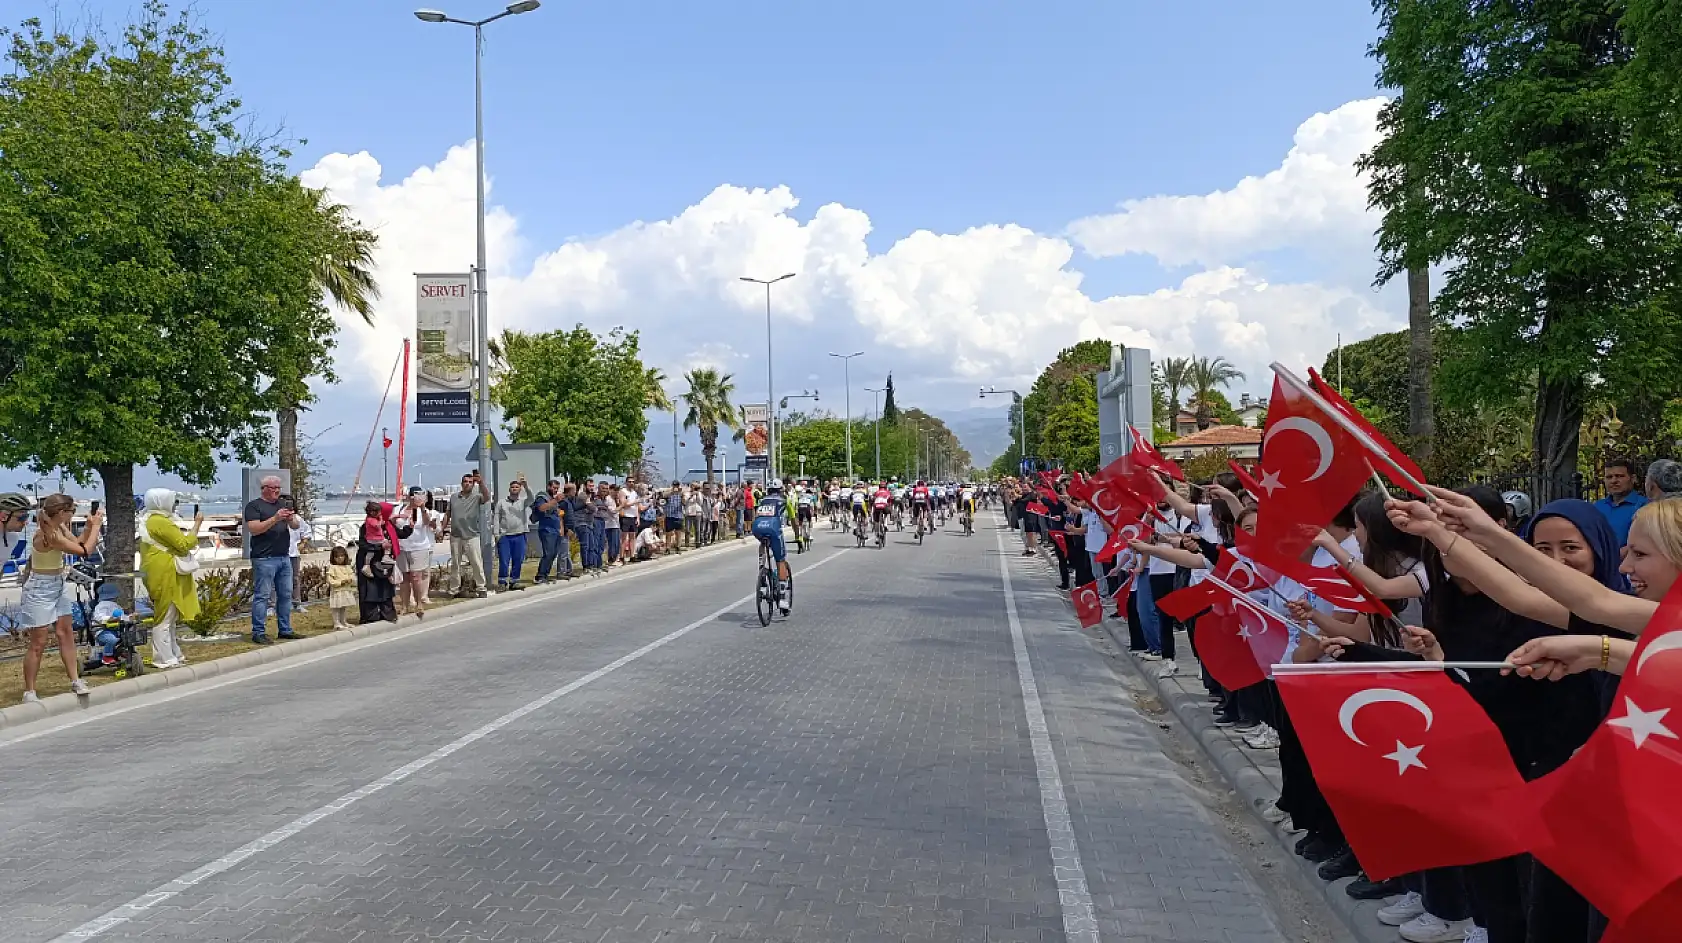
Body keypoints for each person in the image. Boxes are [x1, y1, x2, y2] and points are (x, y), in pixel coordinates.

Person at [17, 495, 102, 702]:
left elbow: (78, 543)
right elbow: (85, 551)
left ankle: (75, 680)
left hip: (57, 583)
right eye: (71, 511)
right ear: (62, 513)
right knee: (39, 641)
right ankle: (30, 691)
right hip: (39, 588)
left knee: (66, 633)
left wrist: (89, 528)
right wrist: (98, 526)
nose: (73, 514)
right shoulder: (47, 534)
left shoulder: (60, 529)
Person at [136, 488, 200, 669]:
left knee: (169, 615)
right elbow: (184, 544)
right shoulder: (161, 522)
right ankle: (164, 657)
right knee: (165, 616)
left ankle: (173, 652)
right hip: (166, 571)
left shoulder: (150, 520)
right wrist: (196, 525)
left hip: (158, 570)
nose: (173, 504)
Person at [244, 475, 300, 645]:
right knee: (263, 595)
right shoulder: (254, 506)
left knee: (285, 594)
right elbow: (254, 529)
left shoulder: (282, 505)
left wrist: (290, 518)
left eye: (279, 488)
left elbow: (296, 526)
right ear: (264, 488)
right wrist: (275, 518)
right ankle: (258, 632)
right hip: (264, 557)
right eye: (273, 488)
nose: (277, 491)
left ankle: (285, 629)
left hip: (284, 556)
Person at [443, 471, 490, 598]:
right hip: (456, 535)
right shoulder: (454, 497)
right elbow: (448, 513)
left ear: (473, 484)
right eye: (465, 482)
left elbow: (487, 497)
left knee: (476, 562)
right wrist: (441, 529)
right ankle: (454, 589)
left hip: (472, 535)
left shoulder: (476, 496)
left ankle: (481, 587)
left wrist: (481, 482)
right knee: (455, 564)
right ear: (461, 483)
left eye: (470, 482)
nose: (467, 484)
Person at [394, 486, 439, 618]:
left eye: (419, 495)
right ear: (409, 496)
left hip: (419, 547)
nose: (416, 498)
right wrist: (399, 516)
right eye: (414, 495)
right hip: (402, 547)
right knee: (404, 578)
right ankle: (404, 605)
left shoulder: (423, 511)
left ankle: (419, 603)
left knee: (416, 577)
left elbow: (427, 522)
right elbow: (392, 522)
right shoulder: (399, 509)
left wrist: (422, 507)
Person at [751, 479, 793, 614]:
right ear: (781, 490)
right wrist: (797, 534)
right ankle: (782, 598)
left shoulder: (762, 500)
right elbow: (793, 519)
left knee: (762, 543)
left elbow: (756, 513)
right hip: (773, 528)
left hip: (757, 527)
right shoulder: (784, 500)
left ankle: (762, 571)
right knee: (780, 560)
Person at [355, 503, 401, 624]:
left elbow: (401, 534)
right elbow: (363, 544)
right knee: (370, 590)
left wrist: (411, 526)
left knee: (385, 589)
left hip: (383, 561)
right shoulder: (367, 526)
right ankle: (371, 615)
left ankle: (387, 613)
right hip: (369, 561)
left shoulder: (388, 526)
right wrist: (379, 546)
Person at [1593, 457, 1647, 546]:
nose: (1614, 481)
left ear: (1633, 478)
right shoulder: (1597, 507)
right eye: (1609, 477)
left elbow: (1645, 542)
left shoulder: (1644, 506)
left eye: (1619, 476)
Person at [494, 476, 535, 591]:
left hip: (520, 534)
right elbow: (496, 518)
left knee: (518, 559)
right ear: (509, 489)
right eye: (512, 487)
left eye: (517, 487)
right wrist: (496, 534)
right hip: (505, 536)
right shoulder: (501, 503)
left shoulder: (522, 502)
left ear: (520, 489)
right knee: (504, 560)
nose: (514, 489)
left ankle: (514, 581)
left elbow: (532, 499)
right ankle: (502, 581)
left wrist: (526, 486)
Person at [532, 479, 569, 584]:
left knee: (553, 554)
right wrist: (555, 500)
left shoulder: (553, 499)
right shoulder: (542, 496)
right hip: (546, 529)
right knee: (548, 553)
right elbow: (542, 508)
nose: (555, 490)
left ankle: (545, 575)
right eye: (554, 488)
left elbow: (558, 515)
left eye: (557, 488)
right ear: (548, 487)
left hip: (555, 530)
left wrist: (561, 528)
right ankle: (540, 576)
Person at [326, 544, 357, 629]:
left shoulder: (347, 567)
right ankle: (336, 623)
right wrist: (340, 582)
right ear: (333, 558)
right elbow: (330, 580)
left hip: (346, 590)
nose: (340, 558)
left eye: (342, 556)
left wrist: (350, 580)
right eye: (337, 557)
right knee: (336, 607)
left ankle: (343, 621)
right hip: (337, 591)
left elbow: (352, 576)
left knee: (344, 607)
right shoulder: (332, 568)